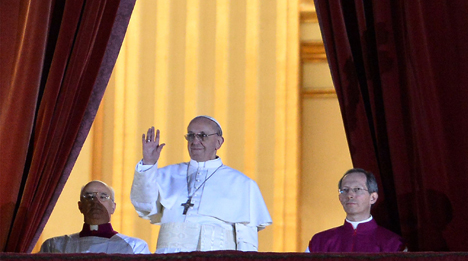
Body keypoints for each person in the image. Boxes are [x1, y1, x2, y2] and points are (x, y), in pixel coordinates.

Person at [130, 115, 272, 253]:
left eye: (202, 135)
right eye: (191, 136)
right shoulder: (166, 174)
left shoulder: (242, 184)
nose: (195, 141)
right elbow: (144, 205)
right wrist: (148, 163)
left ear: (218, 142)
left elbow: (247, 241)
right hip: (168, 256)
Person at [307, 168, 405, 252]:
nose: (350, 195)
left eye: (357, 189)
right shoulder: (320, 241)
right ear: (340, 198)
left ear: (373, 198)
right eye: (345, 190)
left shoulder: (393, 244)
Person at [40, 180, 150, 254]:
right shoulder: (55, 246)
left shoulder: (135, 248)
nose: (96, 202)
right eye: (89, 197)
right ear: (80, 206)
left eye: (103, 196)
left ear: (113, 207)